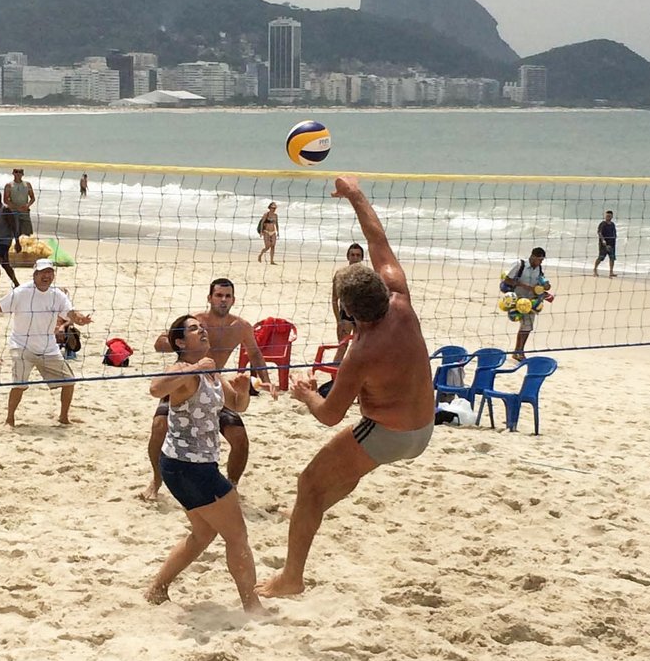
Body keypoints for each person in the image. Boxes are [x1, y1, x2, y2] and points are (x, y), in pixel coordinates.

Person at [259, 177, 435, 598]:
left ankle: (291, 578)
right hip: (424, 429)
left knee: (308, 481)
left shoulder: (361, 351)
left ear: (347, 311)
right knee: (338, 474)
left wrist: (305, 394)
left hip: (389, 435)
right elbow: (377, 237)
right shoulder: (401, 297)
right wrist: (355, 194)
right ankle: (310, 511)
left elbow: (329, 415)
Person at [144, 314, 263, 613]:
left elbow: (236, 405)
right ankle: (253, 605)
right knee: (237, 536)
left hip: (190, 465)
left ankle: (157, 589)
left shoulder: (212, 371)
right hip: (189, 467)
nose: (203, 331)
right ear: (181, 342)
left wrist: (244, 387)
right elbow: (155, 389)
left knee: (203, 534)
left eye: (203, 327)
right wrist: (197, 368)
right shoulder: (184, 369)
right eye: (195, 329)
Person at [141, 278, 271, 501]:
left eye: (227, 296)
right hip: (185, 382)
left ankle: (232, 485)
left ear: (233, 300)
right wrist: (180, 344)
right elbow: (159, 343)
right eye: (218, 295)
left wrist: (266, 381)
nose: (223, 300)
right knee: (158, 426)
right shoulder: (196, 322)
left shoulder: (241, 326)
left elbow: (256, 354)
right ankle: (156, 479)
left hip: (214, 385)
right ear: (209, 298)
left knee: (239, 438)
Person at [0, 259, 92, 426]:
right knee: (20, 385)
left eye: (49, 272)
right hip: (21, 346)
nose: (46, 275)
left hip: (48, 347)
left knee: (69, 382)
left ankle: (63, 417)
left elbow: (71, 313)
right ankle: (10, 419)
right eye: (43, 272)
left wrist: (80, 319)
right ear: (35, 274)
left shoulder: (57, 295)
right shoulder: (21, 292)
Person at [500, 247, 548, 361]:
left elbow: (542, 280)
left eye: (542, 260)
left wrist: (546, 286)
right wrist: (523, 286)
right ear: (533, 257)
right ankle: (519, 351)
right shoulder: (519, 265)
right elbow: (507, 279)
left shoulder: (539, 269)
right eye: (540, 260)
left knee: (527, 326)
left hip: (531, 300)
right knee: (525, 325)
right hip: (517, 299)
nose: (541, 262)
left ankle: (518, 351)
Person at [330, 243, 366, 362]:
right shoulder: (341, 274)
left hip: (361, 316)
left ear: (361, 257)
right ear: (348, 256)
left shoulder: (366, 275)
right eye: (352, 255)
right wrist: (338, 321)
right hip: (346, 316)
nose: (355, 258)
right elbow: (335, 299)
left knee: (359, 349)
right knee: (342, 347)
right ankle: (335, 377)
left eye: (358, 255)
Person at [3, 168, 35, 239]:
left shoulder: (27, 184)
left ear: (23, 174)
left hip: (25, 212)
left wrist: (27, 205)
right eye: (16, 172)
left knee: (28, 234)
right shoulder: (9, 185)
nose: (18, 173)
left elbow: (32, 198)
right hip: (14, 212)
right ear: (13, 173)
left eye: (20, 172)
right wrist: (17, 208)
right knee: (15, 234)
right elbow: (5, 200)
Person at [594, 210, 618, 277]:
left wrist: (615, 238)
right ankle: (595, 270)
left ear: (612, 216)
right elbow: (599, 232)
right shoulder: (603, 224)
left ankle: (611, 272)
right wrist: (603, 240)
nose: (608, 217)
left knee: (612, 258)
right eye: (607, 216)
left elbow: (614, 232)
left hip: (612, 244)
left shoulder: (612, 224)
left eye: (609, 216)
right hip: (603, 245)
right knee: (601, 258)